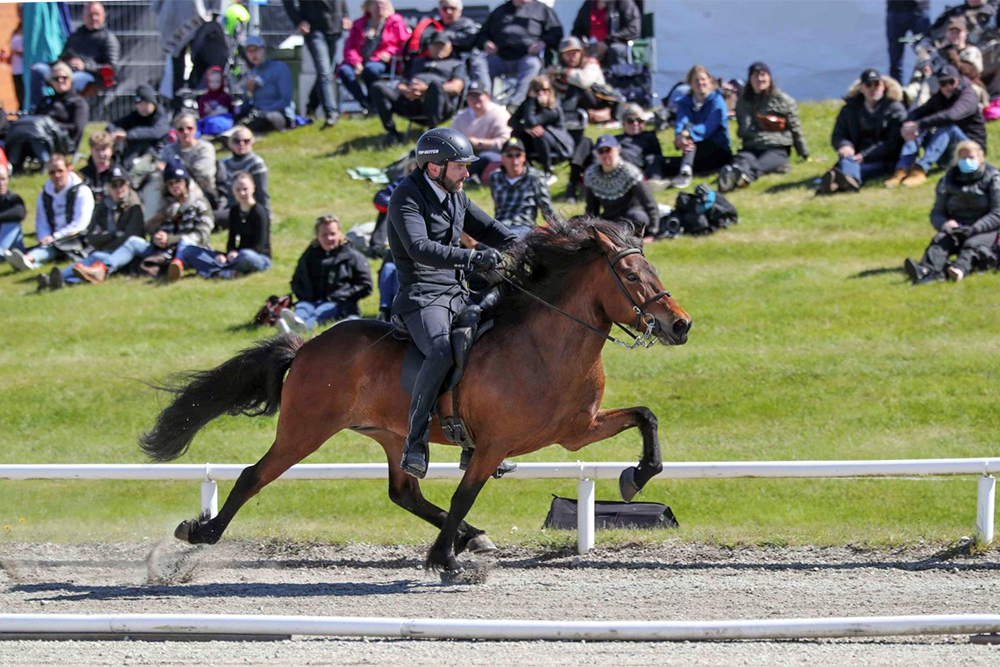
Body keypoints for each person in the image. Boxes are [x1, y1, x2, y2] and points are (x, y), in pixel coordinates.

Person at [387, 127, 518, 479]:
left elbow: (492, 229)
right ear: (435, 168)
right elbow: (419, 248)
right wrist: (473, 258)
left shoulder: (456, 194)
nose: (467, 173)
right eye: (460, 166)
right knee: (442, 350)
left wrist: (528, 245)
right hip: (421, 296)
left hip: (457, 293)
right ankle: (414, 442)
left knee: (492, 341)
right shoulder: (406, 197)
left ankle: (472, 442)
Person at [904, 140, 1000, 284]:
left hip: (985, 228)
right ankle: (926, 270)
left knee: (973, 246)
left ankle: (958, 269)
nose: (966, 161)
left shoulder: (993, 178)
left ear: (980, 158)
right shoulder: (947, 180)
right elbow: (937, 212)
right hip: (958, 227)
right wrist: (945, 224)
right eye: (963, 158)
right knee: (940, 241)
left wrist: (975, 228)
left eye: (971, 157)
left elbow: (997, 213)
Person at [885, 64, 986, 188]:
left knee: (948, 128)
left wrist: (918, 124)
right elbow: (918, 112)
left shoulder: (968, 95)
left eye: (951, 82)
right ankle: (902, 169)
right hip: (948, 154)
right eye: (943, 84)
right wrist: (908, 125)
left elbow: (952, 115)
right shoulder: (939, 98)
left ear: (958, 81)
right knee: (919, 129)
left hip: (971, 153)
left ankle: (920, 169)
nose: (948, 87)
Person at [719, 61, 809, 193]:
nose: (760, 79)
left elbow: (795, 128)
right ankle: (733, 175)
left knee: (760, 165)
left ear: (769, 77)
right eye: (755, 76)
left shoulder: (783, 100)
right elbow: (744, 129)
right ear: (750, 80)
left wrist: (804, 153)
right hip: (752, 146)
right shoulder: (744, 101)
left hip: (776, 147)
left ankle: (745, 178)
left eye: (763, 75)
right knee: (742, 160)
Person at [368, 30, 467, 147]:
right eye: (435, 45)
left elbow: (456, 87)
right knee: (378, 87)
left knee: (435, 85)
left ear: (450, 47)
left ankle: (432, 133)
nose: (439, 48)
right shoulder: (418, 62)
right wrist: (407, 90)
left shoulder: (456, 64)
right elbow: (401, 82)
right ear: (429, 47)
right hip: (411, 100)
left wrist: (426, 89)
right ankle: (392, 133)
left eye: (442, 45)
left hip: (440, 105)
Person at [818, 68, 907, 194]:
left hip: (883, 159)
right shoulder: (850, 109)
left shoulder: (895, 109)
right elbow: (838, 134)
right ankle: (845, 181)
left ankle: (841, 180)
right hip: (853, 157)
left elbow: (894, 142)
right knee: (848, 160)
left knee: (853, 166)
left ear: (883, 86)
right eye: (868, 85)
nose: (873, 88)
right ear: (862, 88)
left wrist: (865, 155)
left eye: (877, 84)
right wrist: (844, 146)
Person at [282, 214, 372, 333]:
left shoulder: (353, 257)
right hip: (310, 301)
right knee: (302, 308)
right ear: (317, 236)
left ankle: (297, 330)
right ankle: (293, 323)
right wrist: (304, 295)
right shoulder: (309, 256)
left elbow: (366, 285)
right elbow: (296, 281)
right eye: (324, 235)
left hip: (337, 304)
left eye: (332, 234)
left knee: (319, 313)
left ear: (340, 233)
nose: (329, 238)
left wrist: (342, 296)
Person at [58, 165, 146, 288]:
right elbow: (91, 237)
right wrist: (112, 235)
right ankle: (61, 278)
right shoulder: (105, 205)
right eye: (114, 185)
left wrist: (105, 241)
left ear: (127, 184)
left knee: (96, 257)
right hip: (108, 250)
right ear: (108, 188)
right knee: (95, 257)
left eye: (122, 184)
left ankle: (64, 279)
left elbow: (130, 236)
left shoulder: (134, 205)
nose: (119, 189)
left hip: (126, 256)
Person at [173, 171, 272, 280]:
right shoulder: (234, 211)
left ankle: (216, 271)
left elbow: (259, 246)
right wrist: (228, 254)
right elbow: (231, 239)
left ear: (253, 188)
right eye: (238, 190)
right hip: (236, 257)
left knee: (245, 256)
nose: (242, 193)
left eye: (245, 189)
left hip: (257, 258)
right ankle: (224, 271)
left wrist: (236, 255)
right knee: (189, 250)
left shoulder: (260, 212)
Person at [7, 154, 95, 273]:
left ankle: (29, 258)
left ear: (69, 168)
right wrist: (44, 237)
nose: (57, 175)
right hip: (52, 239)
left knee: (56, 247)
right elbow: (41, 222)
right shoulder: (44, 195)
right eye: (52, 172)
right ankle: (29, 262)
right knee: (50, 247)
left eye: (60, 170)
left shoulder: (82, 191)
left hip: (77, 238)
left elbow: (80, 224)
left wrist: (54, 237)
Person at [474, 0, 563, 109]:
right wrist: (486, 43)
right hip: (500, 56)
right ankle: (485, 102)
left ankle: (515, 105)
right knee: (479, 62)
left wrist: (543, 42)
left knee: (532, 64)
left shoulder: (542, 10)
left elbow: (556, 33)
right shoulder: (500, 11)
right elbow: (481, 35)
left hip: (526, 57)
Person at [566, 103, 662, 202]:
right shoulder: (616, 139)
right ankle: (571, 187)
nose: (635, 124)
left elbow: (657, 159)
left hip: (627, 166)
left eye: (639, 121)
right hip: (601, 162)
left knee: (616, 152)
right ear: (624, 123)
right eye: (630, 121)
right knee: (585, 142)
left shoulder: (649, 137)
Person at [29, 1, 120, 104]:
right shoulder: (76, 35)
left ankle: (64, 112)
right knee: (39, 70)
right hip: (66, 69)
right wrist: (63, 63)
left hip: (90, 75)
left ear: (103, 16)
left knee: (72, 80)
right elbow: (63, 55)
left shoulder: (108, 38)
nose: (94, 18)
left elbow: (111, 68)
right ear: (84, 16)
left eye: (97, 14)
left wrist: (85, 66)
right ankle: (37, 110)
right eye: (90, 15)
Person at [283, 0, 351, 128]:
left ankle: (311, 107)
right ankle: (331, 113)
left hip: (334, 27)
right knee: (324, 71)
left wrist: (345, 15)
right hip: (314, 28)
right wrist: (298, 21)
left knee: (326, 72)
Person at [664, 65, 733, 189]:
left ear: (710, 81)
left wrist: (687, 134)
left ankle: (685, 172)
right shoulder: (686, 102)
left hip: (717, 148)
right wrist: (679, 136)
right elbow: (682, 121)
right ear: (690, 84)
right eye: (696, 80)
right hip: (695, 150)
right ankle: (658, 178)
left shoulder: (717, 101)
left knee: (690, 137)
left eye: (703, 79)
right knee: (659, 161)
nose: (700, 83)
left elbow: (708, 128)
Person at [143, 163, 214, 283]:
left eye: (178, 181)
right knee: (133, 243)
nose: (175, 186)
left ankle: (177, 265)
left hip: (196, 249)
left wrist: (171, 239)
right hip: (170, 250)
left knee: (185, 242)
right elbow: (166, 232)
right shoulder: (171, 209)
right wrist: (159, 237)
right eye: (170, 183)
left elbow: (201, 235)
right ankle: (105, 266)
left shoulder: (200, 204)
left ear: (186, 182)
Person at [337, 0, 410, 113]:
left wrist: (389, 53)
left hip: (383, 62)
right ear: (369, 6)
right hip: (360, 62)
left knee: (371, 69)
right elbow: (349, 47)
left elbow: (404, 44)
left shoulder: (395, 22)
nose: (380, 6)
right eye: (377, 3)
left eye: (383, 4)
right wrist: (356, 62)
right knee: (344, 71)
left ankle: (376, 103)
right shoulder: (359, 24)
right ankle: (366, 103)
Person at [583, 134, 659, 236]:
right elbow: (592, 208)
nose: (605, 155)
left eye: (609, 150)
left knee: (638, 217)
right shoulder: (591, 174)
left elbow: (649, 203)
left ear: (617, 150)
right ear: (596, 154)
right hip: (609, 219)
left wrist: (654, 230)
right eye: (601, 151)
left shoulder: (630, 172)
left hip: (631, 217)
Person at [509, 75, 574, 182]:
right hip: (535, 142)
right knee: (516, 133)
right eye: (537, 89)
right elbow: (511, 121)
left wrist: (532, 104)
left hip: (557, 142)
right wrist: (526, 129)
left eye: (545, 90)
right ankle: (526, 168)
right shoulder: (529, 103)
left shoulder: (553, 108)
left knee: (538, 133)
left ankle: (547, 172)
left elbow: (532, 121)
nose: (541, 93)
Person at [489, 136, 555, 237]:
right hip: (499, 225)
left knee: (508, 240)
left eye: (518, 155)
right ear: (502, 157)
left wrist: (562, 230)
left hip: (523, 227)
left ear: (524, 157)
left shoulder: (536, 177)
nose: (514, 161)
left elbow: (548, 211)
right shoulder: (495, 177)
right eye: (509, 155)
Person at [450, 80, 512, 181]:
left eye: (479, 96)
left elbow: (505, 142)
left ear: (487, 96)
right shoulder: (461, 117)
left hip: (494, 155)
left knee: (485, 157)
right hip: (465, 156)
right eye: (472, 97)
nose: (475, 100)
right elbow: (451, 138)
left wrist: (479, 143)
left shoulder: (500, 114)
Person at [547, 36, 615, 124]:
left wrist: (563, 72)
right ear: (561, 56)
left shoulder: (591, 63)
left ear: (581, 53)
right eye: (568, 54)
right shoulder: (557, 68)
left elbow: (584, 81)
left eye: (575, 53)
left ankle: (566, 116)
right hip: (570, 103)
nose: (572, 57)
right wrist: (549, 76)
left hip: (596, 101)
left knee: (575, 84)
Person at [159, 112, 219, 212]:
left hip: (201, 189)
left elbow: (202, 173)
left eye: (189, 128)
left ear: (195, 129)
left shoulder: (205, 148)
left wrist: (174, 170)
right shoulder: (168, 150)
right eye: (181, 129)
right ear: (176, 132)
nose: (186, 132)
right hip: (173, 190)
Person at [238, 35, 295, 134]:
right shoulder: (251, 73)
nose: (253, 54)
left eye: (255, 50)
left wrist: (264, 111)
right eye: (249, 51)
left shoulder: (280, 68)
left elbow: (285, 100)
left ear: (263, 49)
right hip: (257, 114)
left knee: (267, 118)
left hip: (278, 114)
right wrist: (249, 91)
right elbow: (245, 107)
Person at [107, 84, 172, 167]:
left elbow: (157, 132)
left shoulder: (161, 116)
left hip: (156, 154)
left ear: (153, 103)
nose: (143, 107)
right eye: (140, 104)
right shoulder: (136, 116)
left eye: (146, 103)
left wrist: (129, 135)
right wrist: (113, 134)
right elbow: (113, 125)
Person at [220, 125, 271, 225]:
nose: (241, 144)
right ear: (230, 143)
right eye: (237, 141)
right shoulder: (225, 163)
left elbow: (262, 193)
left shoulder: (256, 163)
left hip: (249, 208)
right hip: (230, 206)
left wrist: (266, 217)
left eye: (246, 141)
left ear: (252, 142)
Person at [570, 0, 641, 66]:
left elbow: (633, 29)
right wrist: (582, 45)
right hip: (591, 48)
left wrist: (607, 42)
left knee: (616, 50)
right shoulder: (588, 4)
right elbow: (577, 30)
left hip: (613, 46)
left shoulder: (624, 3)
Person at [886, 1, 932, 85]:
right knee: (895, 60)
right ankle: (897, 94)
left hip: (919, 9)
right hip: (895, 9)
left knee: (927, 57)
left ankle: (928, 89)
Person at [79, 131, 119, 206]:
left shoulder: (119, 174)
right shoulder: (82, 175)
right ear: (91, 150)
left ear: (111, 150)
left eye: (104, 149)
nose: (101, 153)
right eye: (97, 149)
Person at [196, 66, 235, 137]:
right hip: (208, 119)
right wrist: (206, 111)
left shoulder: (225, 97)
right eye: (211, 82)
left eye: (217, 82)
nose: (214, 84)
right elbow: (201, 114)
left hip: (222, 119)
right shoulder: (204, 98)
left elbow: (231, 111)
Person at [0, 167, 27, 267]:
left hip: (12, 243)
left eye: (3, 179)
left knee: (12, 223)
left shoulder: (13, 199)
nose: (1, 183)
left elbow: (19, 214)